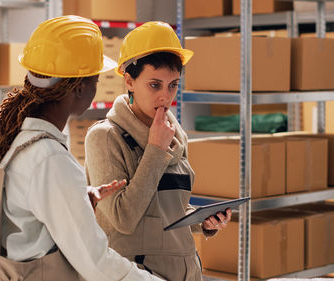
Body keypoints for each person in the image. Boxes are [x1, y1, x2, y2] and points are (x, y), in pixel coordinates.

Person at [0, 16, 164, 281]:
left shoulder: (11, 141)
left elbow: (20, 221)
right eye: (95, 80)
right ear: (78, 88)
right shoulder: (50, 160)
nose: (96, 88)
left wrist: (76, 199)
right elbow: (97, 264)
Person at [84, 21, 232, 281]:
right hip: (134, 274)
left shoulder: (175, 134)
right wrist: (155, 149)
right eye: (155, 85)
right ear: (129, 80)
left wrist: (203, 221)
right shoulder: (105, 137)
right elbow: (123, 218)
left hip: (185, 271)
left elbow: (166, 212)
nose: (166, 96)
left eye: (173, 85)